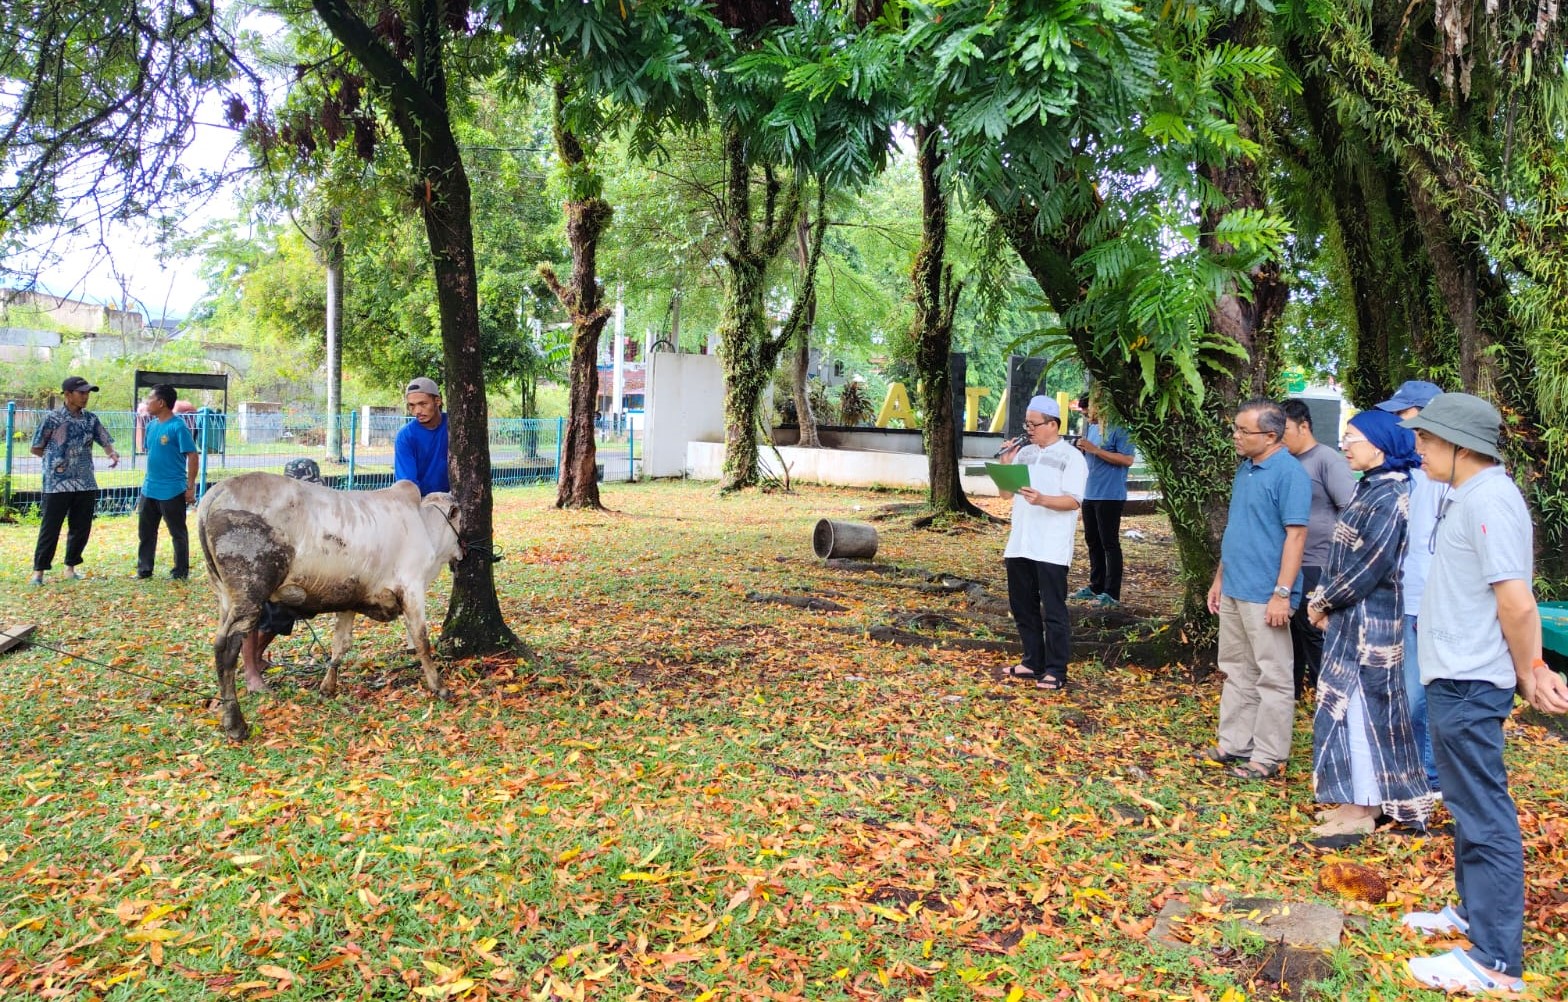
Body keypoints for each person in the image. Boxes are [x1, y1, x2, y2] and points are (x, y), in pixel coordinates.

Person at [1396, 393, 1568, 995]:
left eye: (1428, 440)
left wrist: (1532, 670)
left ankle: (1495, 960)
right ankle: (1471, 916)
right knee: (1469, 808)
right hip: (1454, 674)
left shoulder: (1490, 498)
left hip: (1472, 680)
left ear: (1461, 447)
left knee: (1485, 814)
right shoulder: (1463, 494)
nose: (1417, 450)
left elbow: (1516, 600)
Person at [1304, 410, 1434, 837]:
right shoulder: (1371, 487)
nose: (1344, 445)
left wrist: (1322, 601)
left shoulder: (1389, 496)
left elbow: (1368, 567)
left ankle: (1362, 812)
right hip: (1351, 619)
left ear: (1379, 445)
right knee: (1345, 710)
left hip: (1369, 625)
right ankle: (1356, 801)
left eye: (1352, 437)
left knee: (1361, 713)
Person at [1199, 398, 1311, 780]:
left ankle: (1268, 755)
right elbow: (1237, 529)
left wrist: (1282, 593)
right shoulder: (1246, 470)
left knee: (1273, 675)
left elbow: (1296, 536)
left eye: (1243, 431)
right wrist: (1219, 578)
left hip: (1266, 594)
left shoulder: (1289, 474)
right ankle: (1234, 743)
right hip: (1235, 586)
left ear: (1271, 435)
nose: (1235, 436)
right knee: (1235, 669)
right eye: (1235, 428)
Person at [1376, 380, 1444, 794]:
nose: (1398, 422)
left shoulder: (1454, 475)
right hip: (1405, 596)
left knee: (1423, 694)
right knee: (1407, 692)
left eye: (1404, 414)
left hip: (1432, 601)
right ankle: (1414, 773)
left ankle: (1431, 778)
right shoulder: (1409, 473)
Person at [998, 395, 1088, 691]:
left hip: (1050, 545)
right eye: (1027, 424)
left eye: (1034, 424)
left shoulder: (1071, 457)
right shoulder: (1024, 452)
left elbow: (1074, 500)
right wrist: (1006, 464)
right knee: (1022, 605)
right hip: (1021, 541)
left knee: (1053, 608)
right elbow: (1006, 495)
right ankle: (1032, 661)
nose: (1029, 429)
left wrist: (1043, 499)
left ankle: (1056, 669)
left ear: (1053, 424)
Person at [1281, 399, 1357, 696]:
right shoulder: (1285, 462)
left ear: (1304, 426)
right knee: (1292, 631)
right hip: (1291, 561)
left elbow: (1350, 510)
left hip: (1319, 561)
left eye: (1285, 428)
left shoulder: (1327, 460)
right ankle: (1292, 692)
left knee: (1313, 630)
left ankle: (1327, 692)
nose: (1280, 435)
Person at [239, 458, 326, 692]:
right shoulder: (269, 509)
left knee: (289, 610)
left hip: (292, 575)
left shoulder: (315, 510)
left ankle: (256, 656)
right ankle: (250, 670)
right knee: (256, 613)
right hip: (264, 574)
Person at [29, 376, 120, 585]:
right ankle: (39, 571)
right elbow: (36, 447)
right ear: (68, 394)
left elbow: (104, 439)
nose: (85, 397)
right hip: (57, 484)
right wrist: (57, 460)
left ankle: (70, 567)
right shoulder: (52, 419)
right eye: (81, 393)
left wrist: (111, 454)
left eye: (88, 393)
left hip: (85, 482)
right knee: (50, 528)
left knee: (81, 527)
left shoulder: (91, 419)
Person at [1072, 393, 1136, 608]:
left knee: (1109, 542)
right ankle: (1096, 585)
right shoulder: (1092, 428)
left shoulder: (1119, 428)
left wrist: (1096, 450)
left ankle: (1112, 592)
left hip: (1110, 494)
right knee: (1093, 541)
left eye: (1087, 411)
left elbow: (1127, 459)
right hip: (1089, 492)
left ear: (1099, 407)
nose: (1086, 416)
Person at [135, 384, 199, 581]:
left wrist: (190, 486)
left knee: (177, 533)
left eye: (150, 398)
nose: (147, 402)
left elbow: (193, 455)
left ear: (161, 403)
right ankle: (144, 569)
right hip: (150, 488)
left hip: (172, 490)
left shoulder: (177, 426)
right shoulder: (152, 425)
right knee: (146, 532)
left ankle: (180, 571)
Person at [394, 376, 450, 496]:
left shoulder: (455, 428)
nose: (417, 411)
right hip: (420, 504)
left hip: (454, 503)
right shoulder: (405, 436)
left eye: (423, 404)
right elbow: (407, 484)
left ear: (437, 401)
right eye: (412, 405)